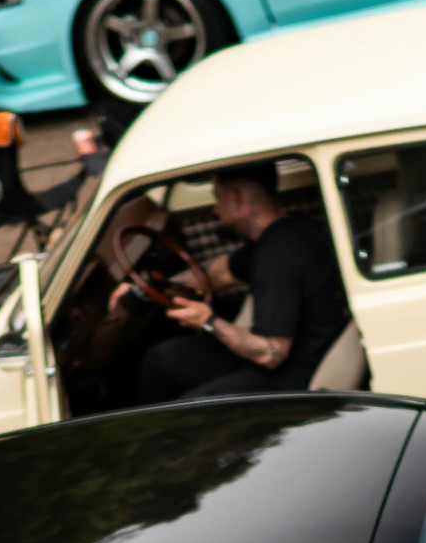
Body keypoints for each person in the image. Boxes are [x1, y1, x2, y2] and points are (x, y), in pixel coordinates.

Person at [116, 163, 350, 402]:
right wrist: (152, 286)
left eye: (218, 198)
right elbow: (219, 273)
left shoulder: (277, 259)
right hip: (282, 354)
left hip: (292, 374)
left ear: (237, 199)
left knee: (191, 405)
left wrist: (208, 321)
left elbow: (270, 354)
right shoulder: (287, 232)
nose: (215, 208)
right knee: (163, 359)